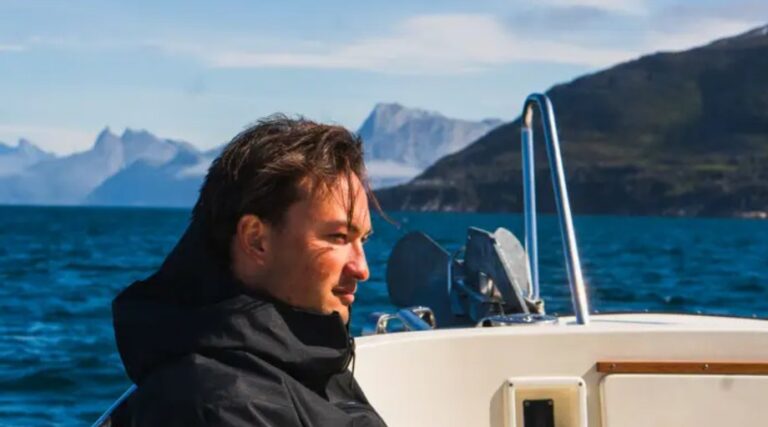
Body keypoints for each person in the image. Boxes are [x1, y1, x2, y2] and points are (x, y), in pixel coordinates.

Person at [110, 116, 387, 426]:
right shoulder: (221, 404)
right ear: (256, 239)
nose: (362, 269)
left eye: (362, 240)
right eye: (338, 237)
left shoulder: (307, 358)